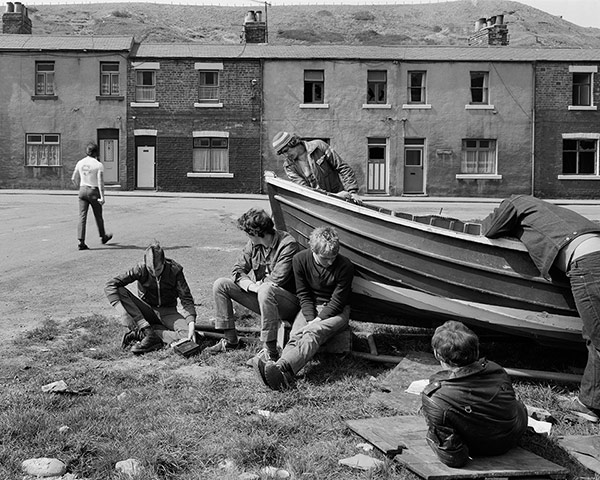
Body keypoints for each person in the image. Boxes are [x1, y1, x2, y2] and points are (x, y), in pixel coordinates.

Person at [482, 194, 600, 420]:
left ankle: (589, 405)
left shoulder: (516, 202)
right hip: (592, 253)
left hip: (589, 262)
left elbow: (490, 229)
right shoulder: (551, 211)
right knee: (593, 331)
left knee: (597, 336)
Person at [255, 226, 354, 390]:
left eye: (333, 257)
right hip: (311, 307)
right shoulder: (300, 260)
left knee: (313, 332)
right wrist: (309, 317)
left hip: (337, 311)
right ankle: (279, 373)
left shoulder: (345, 266)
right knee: (295, 334)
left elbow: (338, 301)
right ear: (313, 251)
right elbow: (303, 293)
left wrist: (316, 321)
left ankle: (282, 369)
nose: (330, 262)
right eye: (325, 258)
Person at [421, 321, 528, 468]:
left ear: (437, 354)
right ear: (476, 350)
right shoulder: (497, 370)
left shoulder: (435, 396)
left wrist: (431, 435)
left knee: (435, 430)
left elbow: (454, 457)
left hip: (478, 447)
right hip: (511, 437)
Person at [207, 208, 300, 360]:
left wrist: (258, 286)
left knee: (266, 288)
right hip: (262, 295)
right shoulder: (253, 243)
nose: (246, 235)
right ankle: (231, 341)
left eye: (247, 232)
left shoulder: (287, 244)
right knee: (221, 284)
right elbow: (238, 270)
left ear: (256, 232)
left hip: (288, 303)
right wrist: (250, 286)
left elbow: (276, 280)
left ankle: (270, 352)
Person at [104, 242, 197, 355]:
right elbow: (111, 285)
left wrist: (191, 323)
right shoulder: (140, 269)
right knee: (120, 290)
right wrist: (123, 313)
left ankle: (147, 334)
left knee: (187, 334)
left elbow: (186, 298)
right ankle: (149, 330)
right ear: (145, 264)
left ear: (164, 262)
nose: (154, 274)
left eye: (158, 270)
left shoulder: (175, 270)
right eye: (150, 270)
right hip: (147, 311)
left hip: (169, 312)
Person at [271, 131, 362, 204]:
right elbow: (306, 191)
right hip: (317, 204)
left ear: (293, 142)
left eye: (286, 150)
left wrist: (353, 192)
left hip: (341, 201)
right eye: (282, 153)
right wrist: (334, 197)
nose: (286, 155)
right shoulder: (289, 166)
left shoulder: (319, 146)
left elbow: (342, 167)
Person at [71, 142, 113, 250]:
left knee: (82, 216)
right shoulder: (98, 164)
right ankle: (103, 236)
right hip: (93, 190)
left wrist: (78, 187)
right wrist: (102, 196)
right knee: (98, 216)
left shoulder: (80, 162)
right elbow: (100, 181)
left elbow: (73, 178)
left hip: (82, 189)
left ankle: (81, 241)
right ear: (96, 152)